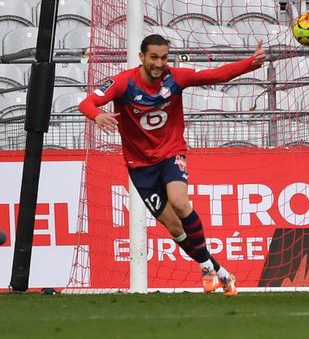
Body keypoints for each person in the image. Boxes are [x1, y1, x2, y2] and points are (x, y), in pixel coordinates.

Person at [79, 34, 266, 296]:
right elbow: (85, 102)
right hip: (140, 165)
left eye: (164, 57)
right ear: (141, 57)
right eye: (154, 57)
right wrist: (97, 115)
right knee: (174, 227)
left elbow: (216, 75)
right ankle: (221, 272)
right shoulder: (123, 83)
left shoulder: (175, 78)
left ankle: (204, 269)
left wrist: (249, 64)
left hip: (170, 153)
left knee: (179, 202)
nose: (159, 63)